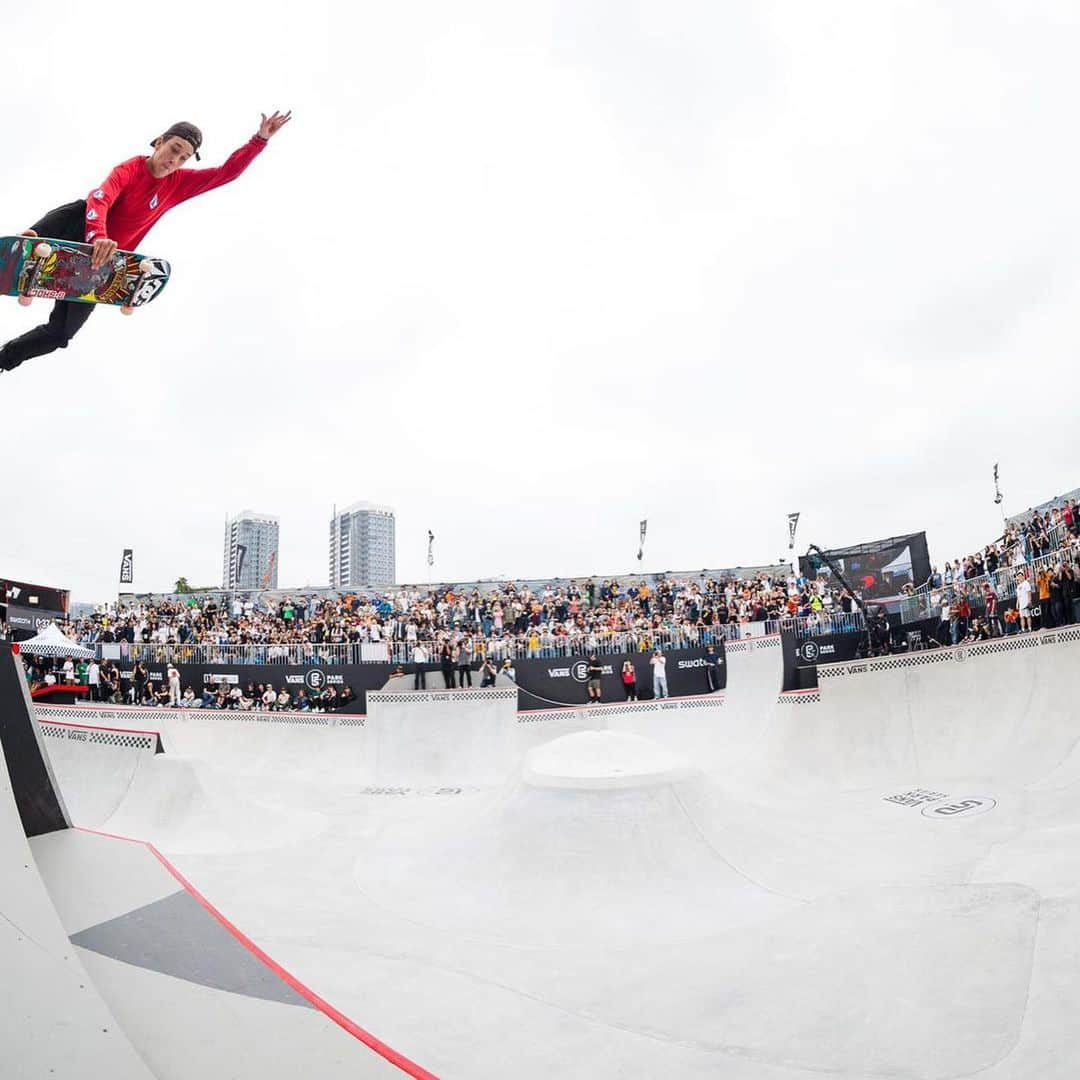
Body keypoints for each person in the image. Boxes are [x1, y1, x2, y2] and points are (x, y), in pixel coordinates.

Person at [1, 111, 292, 374]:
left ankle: (4, 360)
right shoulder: (130, 169)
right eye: (173, 150)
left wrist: (260, 139)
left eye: (183, 158)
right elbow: (101, 198)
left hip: (102, 267)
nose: (173, 161)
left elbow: (226, 174)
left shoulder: (179, 183)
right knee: (79, 206)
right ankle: (30, 242)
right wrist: (99, 237)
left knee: (61, 334)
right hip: (82, 232)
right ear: (159, 142)